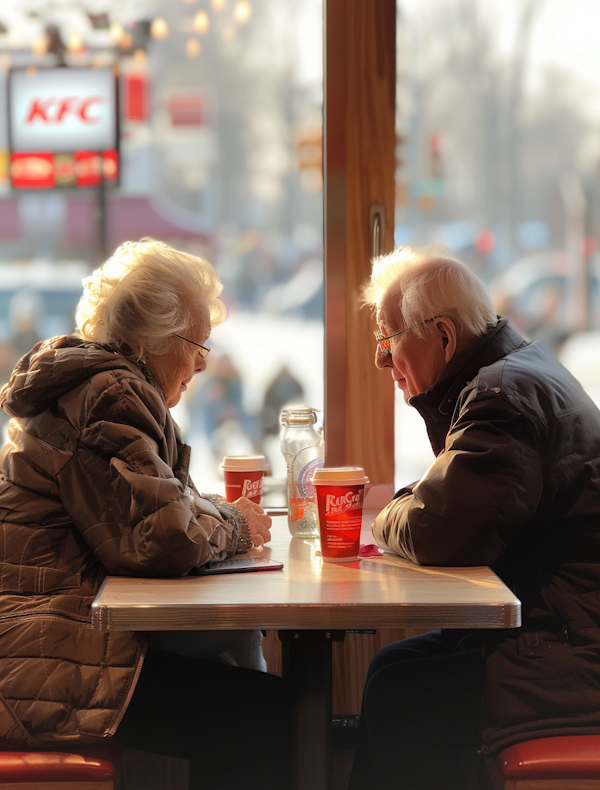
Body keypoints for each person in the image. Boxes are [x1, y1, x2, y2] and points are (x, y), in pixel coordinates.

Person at [0, 239, 290, 790]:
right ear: (151, 340)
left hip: (48, 634)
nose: (204, 362)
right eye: (195, 344)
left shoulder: (103, 387)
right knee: (262, 716)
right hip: (37, 657)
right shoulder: (111, 395)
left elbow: (166, 509)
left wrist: (219, 517)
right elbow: (161, 538)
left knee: (241, 659)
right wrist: (234, 523)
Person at [349, 244, 600, 790]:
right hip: (563, 630)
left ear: (443, 334)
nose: (381, 360)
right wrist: (408, 505)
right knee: (391, 669)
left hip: (574, 657)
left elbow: (441, 530)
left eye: (388, 340)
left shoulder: (501, 396)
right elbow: (453, 498)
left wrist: (381, 516)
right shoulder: (514, 374)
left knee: (401, 692)